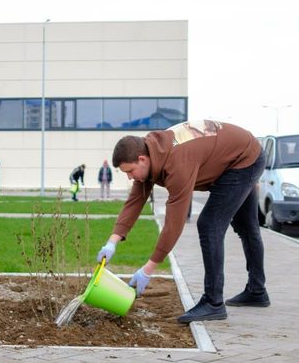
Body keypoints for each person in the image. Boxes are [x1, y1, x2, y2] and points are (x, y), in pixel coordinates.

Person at [96, 120, 269, 323]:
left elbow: (174, 223)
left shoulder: (177, 164)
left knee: (209, 224)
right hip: (238, 153)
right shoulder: (153, 153)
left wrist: (148, 269)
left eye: (130, 171)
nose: (129, 177)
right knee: (247, 227)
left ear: (142, 159)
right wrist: (112, 241)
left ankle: (213, 303)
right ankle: (257, 292)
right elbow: (135, 201)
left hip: (244, 160)